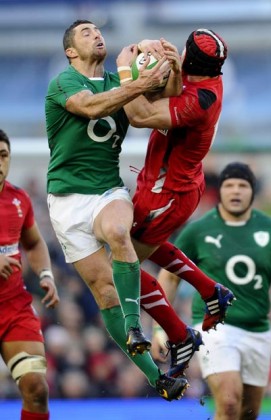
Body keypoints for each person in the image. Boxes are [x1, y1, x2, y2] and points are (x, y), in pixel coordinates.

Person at [45, 19, 189, 401]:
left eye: (98, 30)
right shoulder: (65, 83)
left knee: (118, 232)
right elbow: (89, 108)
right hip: (65, 201)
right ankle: (158, 379)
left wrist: (172, 68)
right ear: (71, 51)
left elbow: (163, 101)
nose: (97, 34)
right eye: (86, 32)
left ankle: (134, 326)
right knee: (104, 292)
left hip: (108, 189)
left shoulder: (120, 80)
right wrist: (140, 84)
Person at [116, 29, 234, 376]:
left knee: (122, 266)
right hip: (167, 184)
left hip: (167, 193)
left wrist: (126, 69)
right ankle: (210, 290)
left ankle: (180, 335)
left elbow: (138, 115)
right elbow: (175, 86)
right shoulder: (202, 81)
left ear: (191, 60)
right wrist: (169, 65)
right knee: (137, 248)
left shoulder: (200, 101)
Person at [154, 162, 271, 419]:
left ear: (252, 191)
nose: (236, 191)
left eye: (242, 185)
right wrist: (160, 327)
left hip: (258, 330)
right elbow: (169, 276)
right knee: (230, 400)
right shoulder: (199, 230)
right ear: (220, 190)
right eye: (229, 185)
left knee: (248, 413)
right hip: (214, 328)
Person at [0, 129, 60, 420]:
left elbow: (33, 243)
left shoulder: (18, 199)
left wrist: (46, 273)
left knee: (37, 389)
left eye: (3, 156)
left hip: (13, 308)